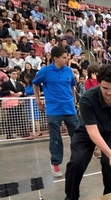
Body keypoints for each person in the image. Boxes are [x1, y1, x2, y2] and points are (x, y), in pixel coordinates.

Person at [63, 64, 111, 200]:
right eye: (105, 88)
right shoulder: (87, 99)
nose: (109, 92)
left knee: (109, 164)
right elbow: (93, 132)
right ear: (99, 83)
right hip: (87, 132)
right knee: (76, 163)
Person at [32, 46, 79, 177]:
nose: (66, 59)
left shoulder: (69, 71)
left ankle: (77, 160)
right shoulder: (45, 71)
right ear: (55, 58)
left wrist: (74, 102)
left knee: (77, 136)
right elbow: (35, 84)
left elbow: (72, 87)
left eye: (67, 57)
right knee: (55, 139)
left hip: (69, 109)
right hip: (53, 110)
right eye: (64, 58)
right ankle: (55, 164)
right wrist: (38, 101)